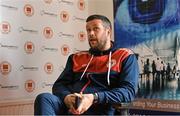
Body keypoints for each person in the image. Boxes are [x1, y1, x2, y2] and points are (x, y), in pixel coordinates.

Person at [34, 14, 139, 115]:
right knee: (44, 98)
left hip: (100, 108)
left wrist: (94, 98)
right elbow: (59, 85)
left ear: (108, 31)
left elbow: (128, 91)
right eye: (88, 30)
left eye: (95, 29)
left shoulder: (125, 56)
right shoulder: (76, 57)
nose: (91, 33)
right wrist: (66, 97)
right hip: (71, 107)